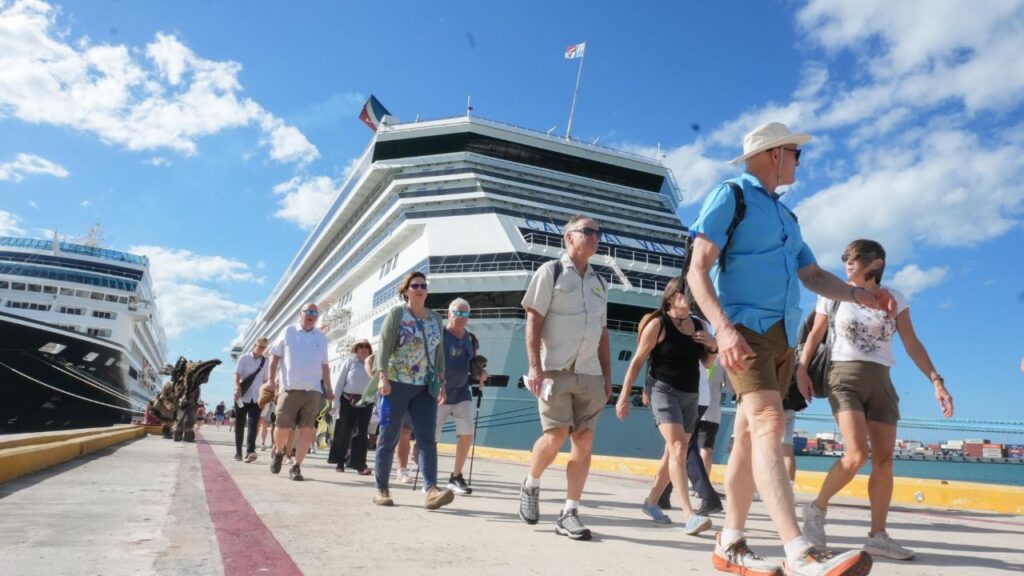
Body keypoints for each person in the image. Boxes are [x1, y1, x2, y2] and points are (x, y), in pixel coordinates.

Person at [686, 122, 889, 575]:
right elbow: (697, 269)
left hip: (781, 336)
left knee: (744, 439)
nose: (801, 161)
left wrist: (860, 295)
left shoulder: (787, 217)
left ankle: (731, 543)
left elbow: (813, 275)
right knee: (768, 423)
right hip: (743, 328)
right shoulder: (730, 196)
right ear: (776, 154)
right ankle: (799, 551)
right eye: (797, 153)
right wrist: (723, 329)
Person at [798, 239, 954, 561]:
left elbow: (911, 343)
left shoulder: (895, 297)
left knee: (884, 461)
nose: (847, 263)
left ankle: (878, 535)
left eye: (854, 258)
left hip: (882, 380)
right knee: (856, 455)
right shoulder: (833, 293)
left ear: (876, 263)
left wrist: (936, 381)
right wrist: (801, 369)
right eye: (845, 258)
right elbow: (815, 335)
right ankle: (815, 509)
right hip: (844, 378)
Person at [518, 214, 611, 541]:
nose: (595, 237)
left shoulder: (600, 282)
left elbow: (602, 332)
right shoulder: (551, 272)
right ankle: (531, 484)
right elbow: (533, 320)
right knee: (555, 436)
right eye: (588, 231)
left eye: (598, 233)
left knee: (583, 440)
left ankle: (570, 511)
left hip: (590, 374)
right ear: (569, 237)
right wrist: (534, 366)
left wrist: (607, 375)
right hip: (555, 369)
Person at [617, 278, 716, 536]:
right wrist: (624, 395)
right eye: (684, 293)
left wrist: (712, 345)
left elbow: (707, 363)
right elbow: (637, 361)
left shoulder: (699, 324)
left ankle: (651, 502)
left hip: (690, 394)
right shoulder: (657, 324)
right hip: (664, 391)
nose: (689, 297)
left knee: (671, 454)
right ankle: (689, 515)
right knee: (678, 448)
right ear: (671, 297)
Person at [372, 271, 454, 509]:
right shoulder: (398, 314)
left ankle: (431, 490)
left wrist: (442, 381)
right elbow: (384, 347)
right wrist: (382, 377)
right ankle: (382, 489)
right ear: (406, 290)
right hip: (396, 384)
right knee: (389, 437)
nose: (420, 288)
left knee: (428, 439)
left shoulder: (435, 318)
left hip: (424, 387)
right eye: (415, 285)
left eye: (423, 285)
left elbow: (438, 352)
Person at [267, 302, 334, 481]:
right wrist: (271, 380)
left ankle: (296, 467)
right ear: (300, 314)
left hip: (313, 390)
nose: (312, 314)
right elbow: (274, 358)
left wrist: (328, 388)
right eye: (308, 311)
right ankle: (279, 452)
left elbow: (325, 366)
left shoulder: (321, 337)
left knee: (307, 429)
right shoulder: (288, 331)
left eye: (315, 312)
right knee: (282, 426)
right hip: (289, 388)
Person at [436, 298, 486, 495]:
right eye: (457, 312)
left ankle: (456, 476)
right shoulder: (440, 335)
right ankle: (429, 477)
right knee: (432, 437)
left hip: (462, 393)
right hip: (438, 394)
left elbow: (473, 364)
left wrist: (481, 373)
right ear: (449, 313)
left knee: (466, 433)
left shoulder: (471, 339)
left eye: (465, 314)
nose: (461, 317)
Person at [329, 339, 374, 475]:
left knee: (361, 433)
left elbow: (376, 384)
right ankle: (340, 461)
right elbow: (340, 382)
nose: (363, 348)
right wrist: (335, 403)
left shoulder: (374, 364)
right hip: (347, 401)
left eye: (366, 346)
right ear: (356, 349)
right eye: (360, 346)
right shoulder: (349, 362)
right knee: (343, 431)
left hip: (366, 402)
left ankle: (359, 465)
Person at [233, 337, 270, 462]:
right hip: (242, 396)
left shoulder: (266, 362)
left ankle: (250, 451)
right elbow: (237, 375)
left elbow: (265, 380)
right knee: (239, 424)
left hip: (257, 398)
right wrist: (237, 388)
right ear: (254, 345)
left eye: (264, 347)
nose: (261, 349)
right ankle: (238, 452)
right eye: (259, 346)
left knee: (254, 425)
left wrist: (266, 396)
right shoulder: (244, 358)